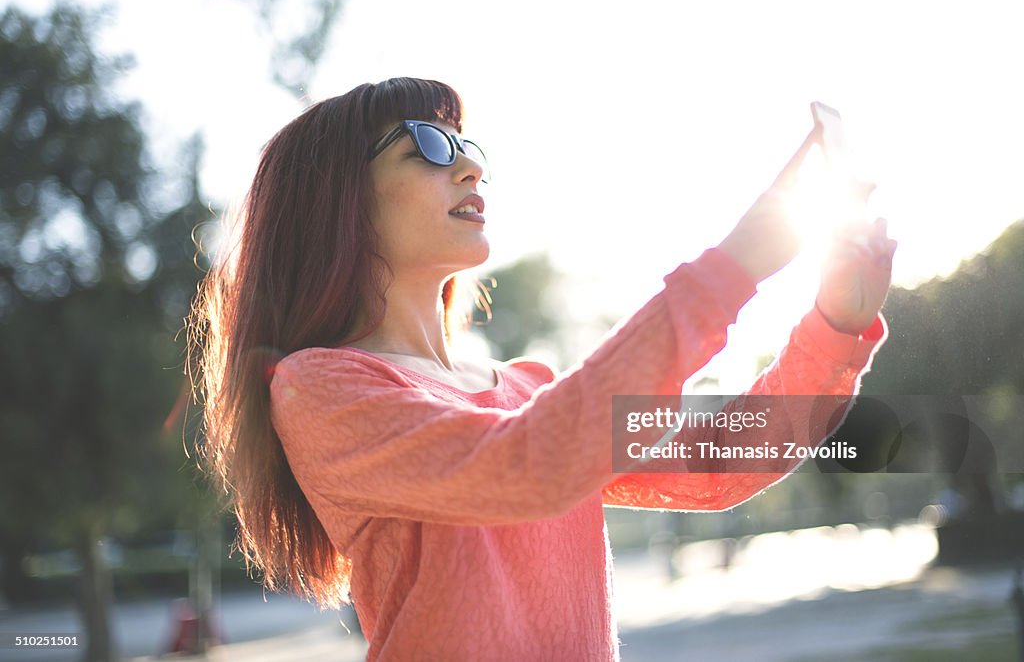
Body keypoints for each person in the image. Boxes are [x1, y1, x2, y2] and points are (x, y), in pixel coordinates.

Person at [188, 77, 897, 661]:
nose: (470, 167)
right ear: (336, 199)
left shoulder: (528, 390)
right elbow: (528, 465)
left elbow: (719, 463)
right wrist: (732, 267)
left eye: (470, 147)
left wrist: (834, 329)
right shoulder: (322, 390)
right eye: (429, 146)